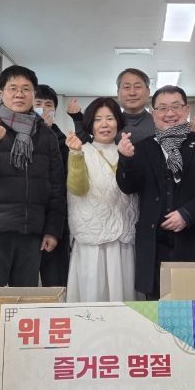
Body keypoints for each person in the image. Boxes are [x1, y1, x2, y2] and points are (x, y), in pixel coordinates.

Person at [116, 85, 195, 299]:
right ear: (153, 113)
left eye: (176, 106)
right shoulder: (142, 148)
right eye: (163, 108)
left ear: (186, 110)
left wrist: (187, 214)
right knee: (157, 307)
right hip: (154, 244)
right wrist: (126, 160)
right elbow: (128, 186)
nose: (170, 113)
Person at [0, 65, 65, 287]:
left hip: (31, 229)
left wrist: (52, 230)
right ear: (2, 94)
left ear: (33, 95)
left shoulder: (46, 136)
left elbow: (57, 186)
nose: (19, 94)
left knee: (23, 300)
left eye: (26, 89)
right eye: (13, 88)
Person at [65, 98, 138, 302]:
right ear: (90, 124)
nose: (104, 124)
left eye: (110, 118)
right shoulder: (81, 150)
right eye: (98, 119)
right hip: (92, 238)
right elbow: (78, 189)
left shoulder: (128, 150)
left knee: (123, 296)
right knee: (93, 297)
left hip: (123, 239)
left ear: (118, 122)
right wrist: (75, 154)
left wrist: (127, 158)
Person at [34, 84, 71, 287]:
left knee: (56, 282)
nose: (43, 109)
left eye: (48, 104)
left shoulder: (63, 142)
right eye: (38, 103)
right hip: (28, 219)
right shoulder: (18, 137)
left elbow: (63, 183)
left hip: (56, 218)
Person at [66, 68, 155, 144]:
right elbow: (90, 147)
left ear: (148, 92)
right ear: (118, 92)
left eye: (137, 87)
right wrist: (77, 119)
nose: (132, 93)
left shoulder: (157, 123)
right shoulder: (111, 122)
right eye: (127, 87)